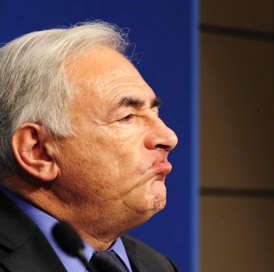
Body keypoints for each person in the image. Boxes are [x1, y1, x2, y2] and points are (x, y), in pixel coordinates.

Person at [0, 21, 179, 271]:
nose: (169, 137)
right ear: (39, 152)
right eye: (127, 117)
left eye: (155, 112)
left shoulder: (158, 266)